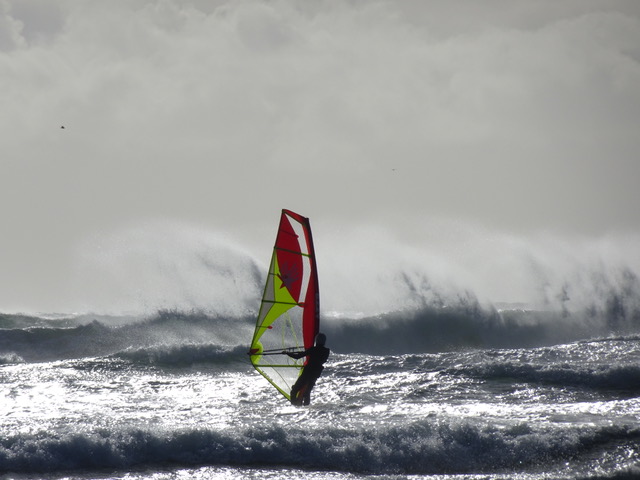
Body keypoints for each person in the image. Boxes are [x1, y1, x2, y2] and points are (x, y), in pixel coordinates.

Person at [283, 333, 330, 406]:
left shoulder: (312, 349)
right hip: (315, 374)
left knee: (294, 390)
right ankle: (306, 408)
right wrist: (308, 351)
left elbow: (297, 356)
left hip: (307, 373)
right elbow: (322, 359)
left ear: (316, 341)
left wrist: (287, 353)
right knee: (307, 392)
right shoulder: (326, 351)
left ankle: (295, 406)